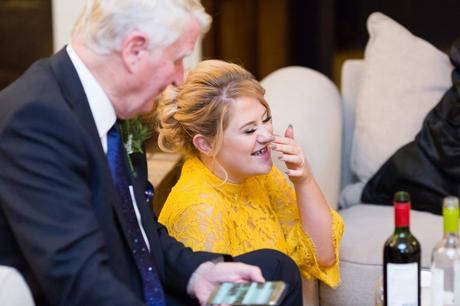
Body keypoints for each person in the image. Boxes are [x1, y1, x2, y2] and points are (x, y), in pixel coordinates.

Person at [0, 1, 303, 306]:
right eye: (177, 60)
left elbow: (139, 230)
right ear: (134, 51)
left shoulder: (114, 110)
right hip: (105, 295)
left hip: (136, 283)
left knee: (275, 272)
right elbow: (78, 280)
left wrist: (198, 274)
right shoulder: (36, 120)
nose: (179, 79)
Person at [157, 59, 344, 288]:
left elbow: (323, 255)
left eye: (266, 119)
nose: (266, 135)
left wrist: (303, 180)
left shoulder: (257, 174)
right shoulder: (200, 211)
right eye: (249, 130)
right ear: (205, 144)